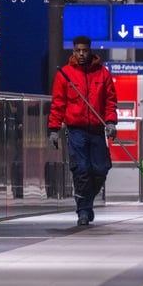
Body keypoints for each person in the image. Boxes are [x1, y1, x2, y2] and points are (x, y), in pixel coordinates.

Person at [47, 35, 118, 226]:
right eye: (78, 50)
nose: (81, 54)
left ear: (90, 50)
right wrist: (53, 129)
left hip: (97, 130)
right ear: (73, 51)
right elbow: (58, 104)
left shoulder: (103, 74)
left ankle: (87, 202)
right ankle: (83, 210)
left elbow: (110, 101)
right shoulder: (65, 74)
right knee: (82, 170)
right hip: (76, 130)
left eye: (84, 50)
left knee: (101, 169)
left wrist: (110, 122)